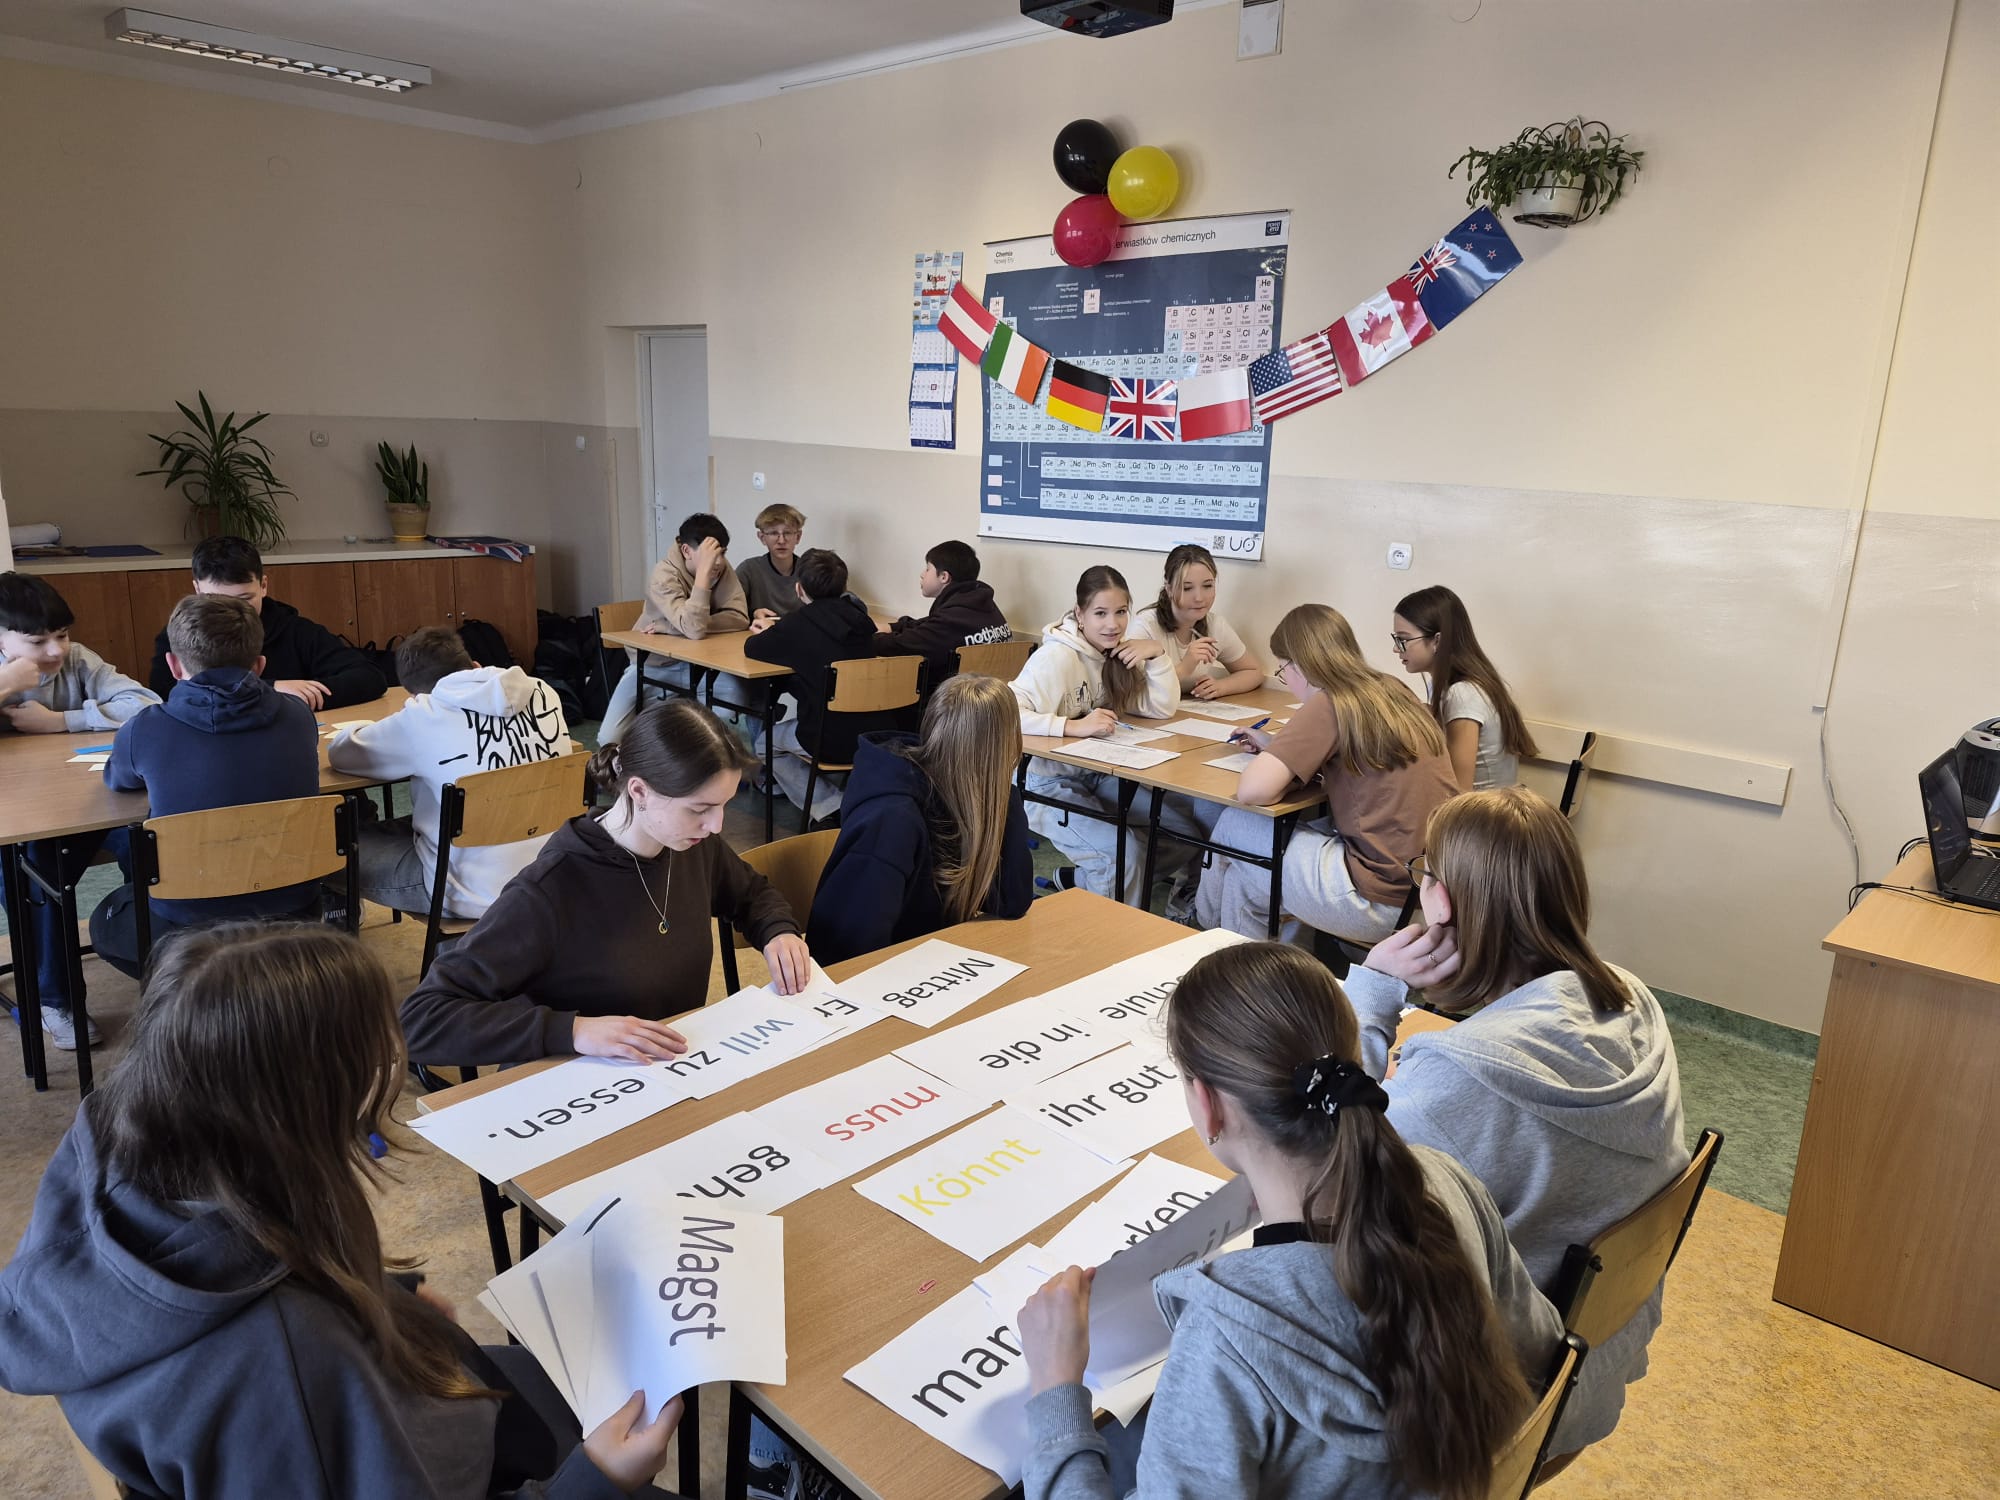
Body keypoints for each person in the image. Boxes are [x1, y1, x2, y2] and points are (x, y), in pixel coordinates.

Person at [0, 922, 684, 1499]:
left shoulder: (114, 1140)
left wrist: (376, 1300)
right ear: (303, 1102)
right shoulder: (286, 1364)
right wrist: (597, 1481)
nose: (392, 1059)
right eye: (372, 1052)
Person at [1018, 940, 1561, 1500]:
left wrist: (1057, 1391)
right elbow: (1542, 1351)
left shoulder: (1227, 1340)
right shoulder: (1445, 1181)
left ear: (1207, 1105)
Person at [1345, 785, 1688, 1455]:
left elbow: (1331, 1162)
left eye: (1425, 874)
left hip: (1494, 1407)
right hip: (1595, 1359)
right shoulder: (1629, 998)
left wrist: (1373, 991)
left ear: (1441, 901)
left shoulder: (1455, 1081)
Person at [401, 698, 811, 1066]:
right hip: (574, 1089)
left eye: (723, 806)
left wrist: (777, 931)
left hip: (670, 1070)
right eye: (699, 809)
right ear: (639, 791)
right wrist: (573, 1031)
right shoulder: (550, 889)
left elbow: (751, 893)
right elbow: (421, 1020)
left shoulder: (691, 844)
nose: (716, 825)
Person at [90, 594, 323, 980]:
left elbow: (119, 780)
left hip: (187, 918)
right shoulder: (298, 715)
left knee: (106, 920)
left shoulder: (146, 728)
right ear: (260, 665)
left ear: (173, 665)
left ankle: (196, 991)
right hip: (294, 904)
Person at [1196, 604, 1457, 944]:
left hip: (1377, 899)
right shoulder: (1392, 690)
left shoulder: (1331, 700)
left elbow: (1252, 791)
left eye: (1283, 670)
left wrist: (1282, 767)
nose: (1287, 681)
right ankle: (1267, 968)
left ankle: (1198, 926)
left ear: (1300, 665)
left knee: (1237, 822)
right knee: (1245, 878)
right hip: (1430, 892)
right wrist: (1280, 749)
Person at [0, 572, 160, 1049]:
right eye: (37, 641)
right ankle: (58, 1000)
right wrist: (4, 683)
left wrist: (62, 721)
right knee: (36, 870)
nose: (55, 650)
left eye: (62, 635)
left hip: (79, 806)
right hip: (15, 823)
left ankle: (160, 969)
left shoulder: (77, 661)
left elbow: (147, 703)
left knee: (148, 838)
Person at [327, 625, 571, 920]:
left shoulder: (423, 715)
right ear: (475, 666)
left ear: (415, 694)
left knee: (321, 853)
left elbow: (342, 754)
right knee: (428, 818)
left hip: (468, 891)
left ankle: (332, 919)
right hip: (553, 874)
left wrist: (367, 724)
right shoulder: (543, 692)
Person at [806, 674, 1033, 964]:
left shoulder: (969, 798)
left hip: (928, 961)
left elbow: (1012, 902)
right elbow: (850, 952)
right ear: (1008, 746)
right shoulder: (892, 820)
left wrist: (1004, 798)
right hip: (874, 972)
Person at [1010, 566, 1201, 907]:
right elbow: (1008, 712)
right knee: (1120, 855)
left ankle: (1089, 883)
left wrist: (1157, 655)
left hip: (1095, 773)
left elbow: (1161, 708)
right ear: (1080, 614)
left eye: (1121, 612)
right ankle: (1110, 921)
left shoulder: (1116, 654)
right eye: (1100, 613)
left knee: (1183, 834)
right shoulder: (1057, 657)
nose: (1112, 624)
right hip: (1044, 781)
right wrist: (1072, 726)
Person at [145, 535, 386, 710]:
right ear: (197, 590)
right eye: (216, 600)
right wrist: (271, 689)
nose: (232, 611)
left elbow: (369, 677)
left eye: (245, 599)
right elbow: (164, 695)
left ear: (263, 585)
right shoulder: (179, 635)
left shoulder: (295, 630)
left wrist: (300, 695)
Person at [742, 548, 887, 825]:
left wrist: (770, 630)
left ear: (799, 589)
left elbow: (753, 648)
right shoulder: (862, 620)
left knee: (765, 743)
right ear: (844, 587)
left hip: (826, 738)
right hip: (876, 733)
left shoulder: (796, 625)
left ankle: (831, 806)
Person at [602, 514, 752, 741]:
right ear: (686, 551)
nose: (719, 562)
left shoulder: (720, 569)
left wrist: (672, 627)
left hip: (699, 664)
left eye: (722, 553)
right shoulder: (664, 574)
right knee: (609, 738)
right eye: (711, 555)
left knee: (736, 698)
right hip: (654, 664)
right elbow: (693, 629)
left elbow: (739, 617)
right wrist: (703, 578)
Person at [1391, 585, 1537, 790]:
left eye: (1403, 639)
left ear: (1437, 641)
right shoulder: (1455, 686)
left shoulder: (1462, 694)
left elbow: (1460, 791)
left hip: (1481, 809)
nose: (1396, 648)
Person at [1129, 544, 1263, 701]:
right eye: (1187, 588)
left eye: (1207, 586)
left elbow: (1253, 672)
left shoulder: (1215, 625)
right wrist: (1185, 667)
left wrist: (1221, 687)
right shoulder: (1146, 626)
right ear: (1169, 589)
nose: (1199, 598)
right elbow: (1131, 689)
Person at [873, 539, 1012, 688]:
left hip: (952, 698)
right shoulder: (980, 605)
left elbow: (900, 645)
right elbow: (931, 623)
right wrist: (892, 627)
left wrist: (863, 637)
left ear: (944, 577)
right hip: (990, 695)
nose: (922, 574)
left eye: (928, 569)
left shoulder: (950, 621)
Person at [738, 502, 807, 625]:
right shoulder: (748, 569)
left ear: (798, 537)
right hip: (761, 634)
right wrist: (753, 613)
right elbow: (732, 610)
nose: (781, 541)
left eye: (787, 533)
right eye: (774, 533)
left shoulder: (810, 570)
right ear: (762, 538)